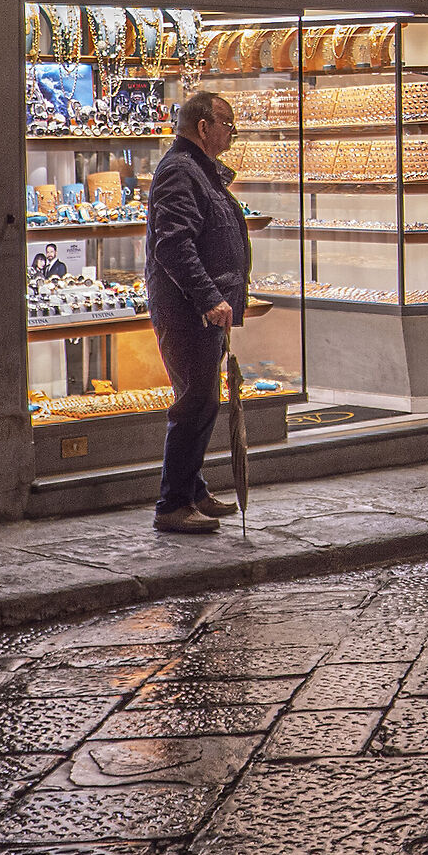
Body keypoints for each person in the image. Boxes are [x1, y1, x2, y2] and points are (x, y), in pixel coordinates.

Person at [142, 90, 249, 535]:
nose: (232, 133)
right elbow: (174, 244)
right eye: (227, 124)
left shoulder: (198, 172)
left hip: (203, 311)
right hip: (188, 311)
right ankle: (172, 503)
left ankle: (193, 489)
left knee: (204, 399)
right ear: (203, 127)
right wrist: (208, 297)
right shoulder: (181, 171)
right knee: (195, 402)